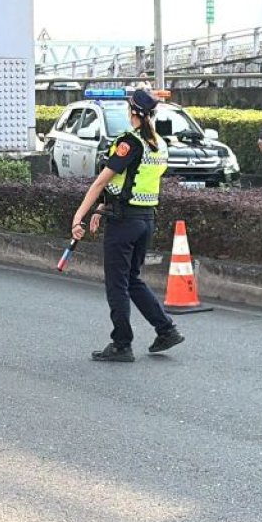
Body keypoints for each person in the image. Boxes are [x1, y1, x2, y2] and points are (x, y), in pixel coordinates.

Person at [70, 88, 185, 362]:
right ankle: (166, 329)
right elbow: (131, 183)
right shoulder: (159, 144)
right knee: (132, 279)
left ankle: (122, 344)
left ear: (133, 112)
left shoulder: (129, 143)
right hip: (146, 220)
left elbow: (102, 181)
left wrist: (79, 216)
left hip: (124, 224)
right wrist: (101, 209)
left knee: (117, 284)